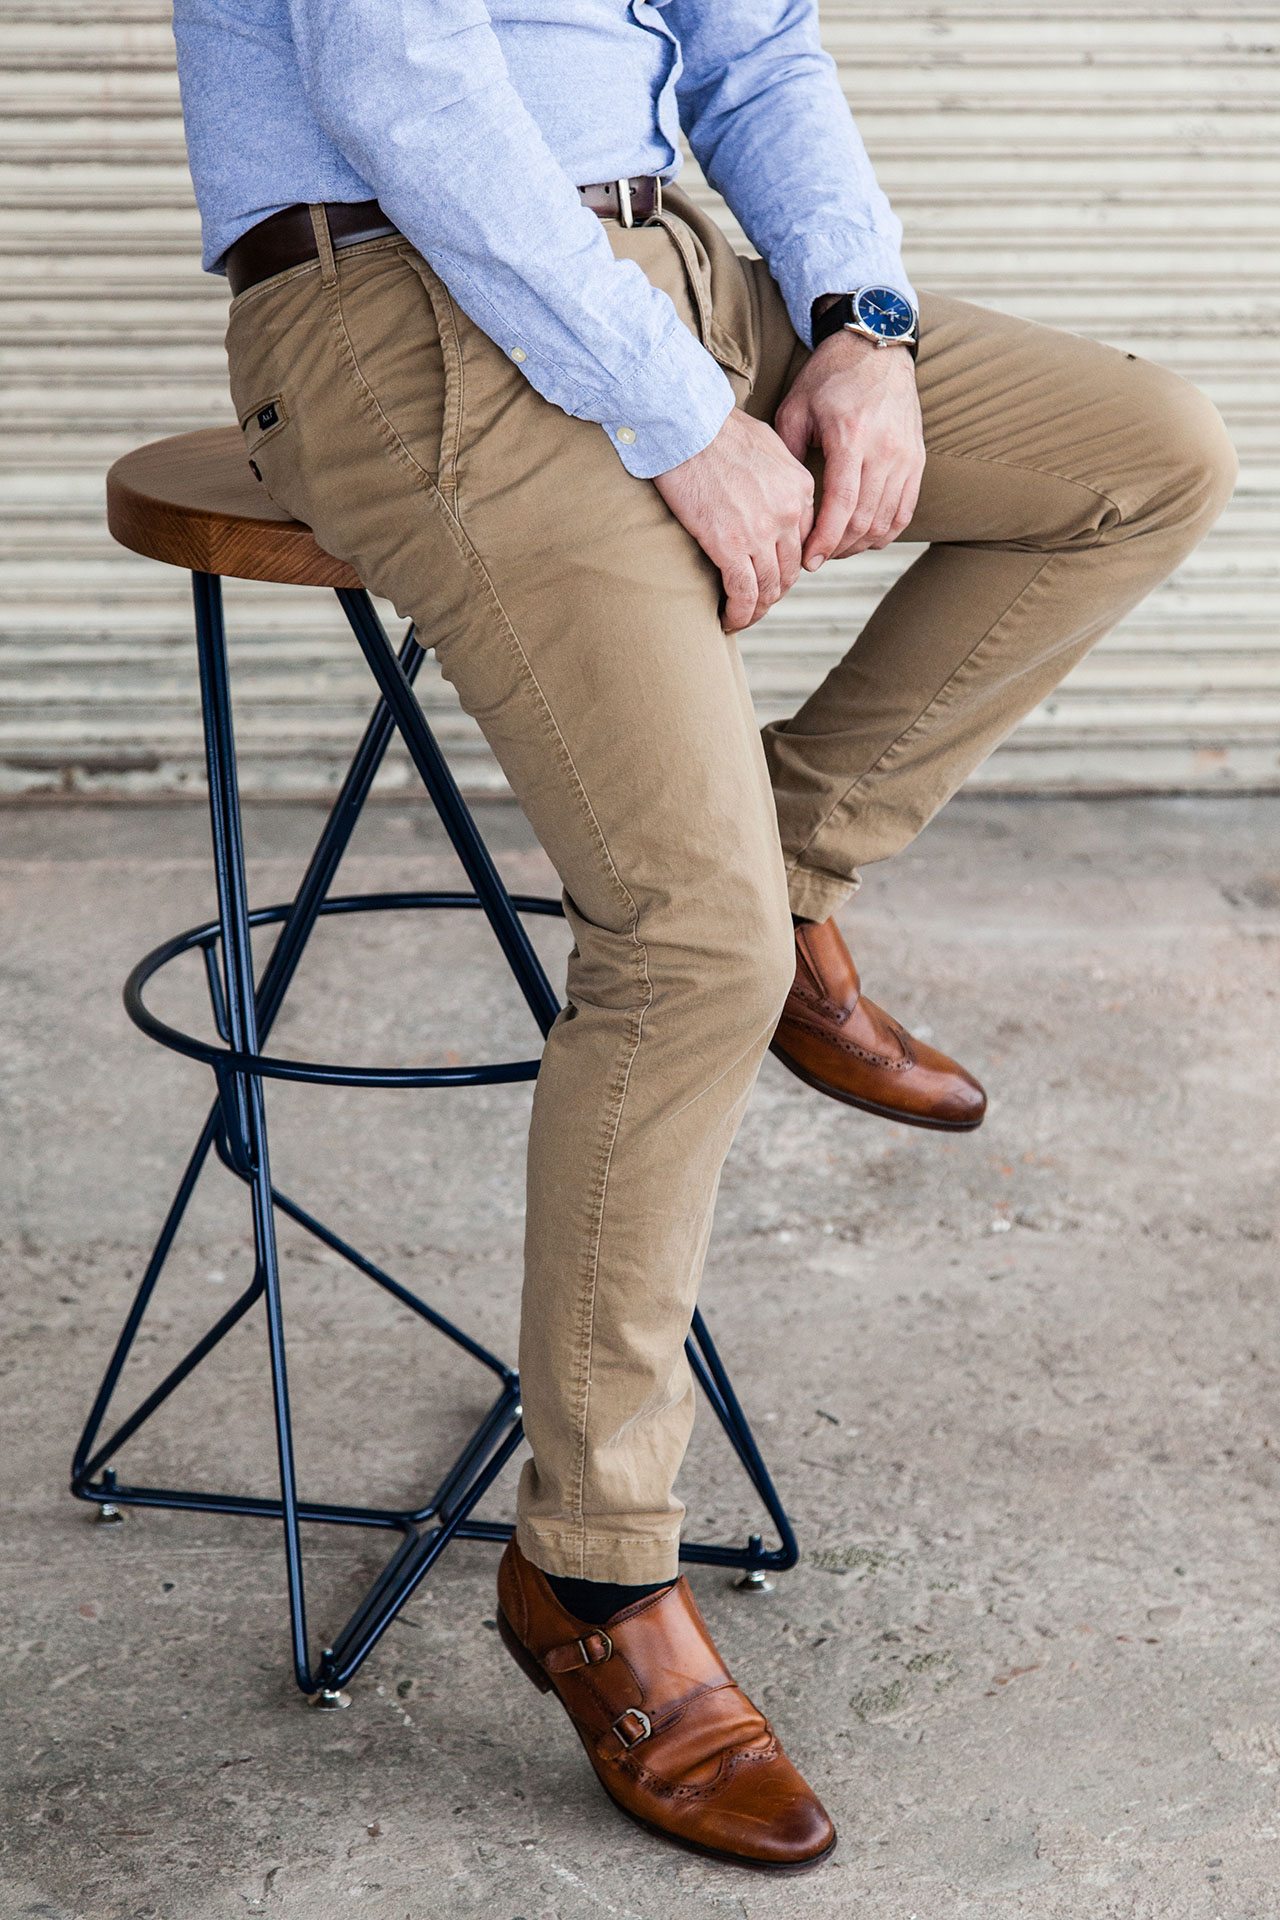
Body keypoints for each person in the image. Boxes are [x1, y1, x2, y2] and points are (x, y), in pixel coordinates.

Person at [172, 0, 1236, 1871]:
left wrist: (863, 325)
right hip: (405, 297)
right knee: (687, 945)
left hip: (675, 268)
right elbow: (401, 83)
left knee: (1145, 452)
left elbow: (757, 50)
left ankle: (790, 860)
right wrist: (679, 421)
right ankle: (589, 1569)